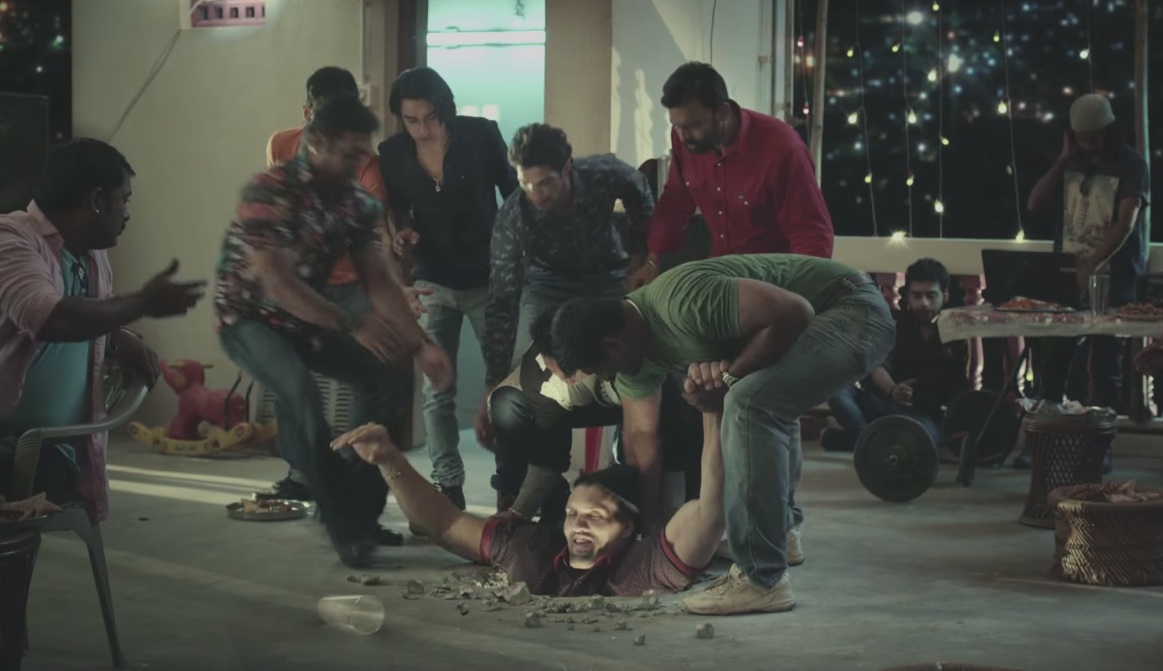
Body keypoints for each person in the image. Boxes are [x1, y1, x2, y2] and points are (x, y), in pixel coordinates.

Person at [549, 254, 895, 615]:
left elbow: (795, 312)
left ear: (612, 346)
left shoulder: (680, 303)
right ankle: (781, 534)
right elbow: (641, 433)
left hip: (852, 309)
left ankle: (762, 579)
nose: (608, 378)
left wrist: (729, 379)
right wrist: (649, 527)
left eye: (603, 370)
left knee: (749, 402)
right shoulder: (635, 354)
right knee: (760, 394)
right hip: (815, 320)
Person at [213, 95, 453, 568]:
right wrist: (353, 322)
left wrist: (421, 345)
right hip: (248, 318)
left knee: (387, 373)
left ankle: (359, 513)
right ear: (316, 144)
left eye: (363, 153)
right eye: (348, 153)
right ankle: (341, 521)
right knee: (300, 394)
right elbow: (277, 281)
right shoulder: (269, 192)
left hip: (309, 318)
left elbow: (378, 281)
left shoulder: (356, 204)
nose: (357, 164)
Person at [329, 396, 725, 597]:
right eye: (573, 513)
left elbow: (708, 511)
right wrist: (390, 460)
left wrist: (712, 412)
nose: (578, 525)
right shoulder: (531, 549)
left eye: (596, 517)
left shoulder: (647, 566)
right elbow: (444, 524)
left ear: (627, 527)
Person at [0, 139, 205, 517]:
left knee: (46, 475)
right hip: (9, 446)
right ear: (96, 199)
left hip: (52, 452)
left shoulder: (93, 255)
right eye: (124, 200)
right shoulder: (11, 239)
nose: (127, 213)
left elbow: (83, 314)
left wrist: (115, 336)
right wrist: (142, 303)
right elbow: (50, 318)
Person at [378, 67, 519, 511]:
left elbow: (514, 195)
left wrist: (518, 257)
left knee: (506, 387)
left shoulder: (481, 135)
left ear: (447, 110)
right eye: (412, 120)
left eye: (431, 118)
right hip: (431, 278)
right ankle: (448, 486)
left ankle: (510, 485)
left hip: (489, 277)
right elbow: (396, 209)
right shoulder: (392, 153)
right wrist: (403, 233)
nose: (423, 128)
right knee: (437, 388)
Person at [262, 66, 394, 502]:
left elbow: (372, 239)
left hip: (348, 287)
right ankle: (301, 472)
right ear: (308, 112)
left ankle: (353, 470)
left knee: (371, 374)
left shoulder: (367, 164)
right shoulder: (281, 145)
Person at [477, 124, 655, 444]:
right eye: (526, 183)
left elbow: (640, 191)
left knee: (632, 353)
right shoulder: (513, 217)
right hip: (548, 284)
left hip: (607, 277)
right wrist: (493, 382)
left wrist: (643, 254)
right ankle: (528, 467)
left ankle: (629, 443)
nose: (536, 193)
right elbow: (502, 301)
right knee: (521, 378)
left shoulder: (602, 173)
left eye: (545, 182)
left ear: (567, 168)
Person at [627, 62, 833, 289]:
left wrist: (800, 297)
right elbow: (675, 202)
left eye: (694, 125)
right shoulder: (686, 138)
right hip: (721, 276)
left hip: (774, 282)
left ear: (723, 113)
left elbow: (811, 235)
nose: (684, 136)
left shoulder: (781, 148)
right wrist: (652, 261)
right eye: (677, 126)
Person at [488, 312, 702, 523]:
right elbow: (547, 459)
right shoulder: (543, 383)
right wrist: (519, 512)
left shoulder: (631, 349)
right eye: (559, 372)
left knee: (687, 400)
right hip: (587, 401)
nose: (564, 378)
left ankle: (690, 511)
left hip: (641, 389)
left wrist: (663, 518)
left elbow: (651, 435)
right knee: (506, 404)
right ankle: (549, 507)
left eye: (568, 371)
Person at [1027, 93, 1150, 412]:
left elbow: (1125, 224)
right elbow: (1035, 204)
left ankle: (1101, 431)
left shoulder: (1131, 164)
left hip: (1114, 277)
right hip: (1069, 272)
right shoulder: (1073, 160)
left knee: (1105, 364)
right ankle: (1051, 423)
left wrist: (1089, 269)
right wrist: (1062, 160)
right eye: (1081, 138)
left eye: (1094, 138)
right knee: (1055, 358)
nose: (1088, 145)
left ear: (1109, 130)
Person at [822, 258, 969, 452]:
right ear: (907, 296)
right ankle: (875, 439)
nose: (923, 303)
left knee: (925, 438)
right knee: (836, 390)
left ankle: (861, 441)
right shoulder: (893, 323)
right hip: (879, 402)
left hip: (919, 413)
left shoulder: (955, 334)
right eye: (916, 296)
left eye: (931, 296)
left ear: (945, 296)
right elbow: (877, 364)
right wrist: (893, 389)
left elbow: (957, 387)